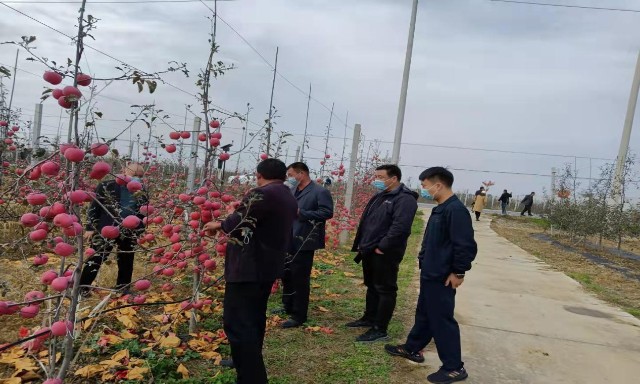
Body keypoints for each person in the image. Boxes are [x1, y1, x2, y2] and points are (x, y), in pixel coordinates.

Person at [203, 159, 297, 384]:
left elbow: (239, 222)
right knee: (254, 318)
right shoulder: (287, 195)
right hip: (267, 265)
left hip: (249, 267)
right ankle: (242, 360)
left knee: (238, 322)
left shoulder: (262, 193)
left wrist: (220, 224)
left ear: (258, 175)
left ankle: (251, 377)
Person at [385, 167, 477, 384]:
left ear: (438, 185)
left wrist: (459, 271)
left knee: (442, 320)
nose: (423, 190)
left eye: (425, 186)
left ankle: (454, 367)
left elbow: (465, 245)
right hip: (431, 272)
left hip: (443, 275)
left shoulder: (455, 210)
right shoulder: (440, 209)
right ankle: (412, 348)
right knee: (425, 314)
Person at [347, 164, 418, 342]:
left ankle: (380, 329)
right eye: (376, 176)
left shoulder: (404, 199)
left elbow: (400, 228)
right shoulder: (381, 195)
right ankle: (369, 318)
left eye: (380, 177)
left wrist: (382, 246)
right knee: (372, 285)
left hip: (385, 252)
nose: (376, 180)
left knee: (385, 288)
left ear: (393, 178)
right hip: (369, 249)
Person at [278, 162, 334, 328]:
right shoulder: (292, 190)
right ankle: (287, 305)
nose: (289, 178)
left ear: (301, 174)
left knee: (300, 278)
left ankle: (299, 315)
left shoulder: (320, 191)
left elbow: (327, 213)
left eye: (291, 174)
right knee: (286, 273)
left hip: (305, 239)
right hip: (288, 237)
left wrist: (302, 213)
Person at [80, 162, 148, 296]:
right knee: (97, 257)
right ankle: (82, 288)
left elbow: (143, 211)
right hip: (107, 228)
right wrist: (90, 227)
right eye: (134, 175)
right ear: (124, 172)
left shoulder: (142, 189)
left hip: (129, 230)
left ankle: (123, 288)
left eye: (140, 176)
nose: (137, 178)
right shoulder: (107, 185)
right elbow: (95, 207)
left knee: (126, 259)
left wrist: (139, 229)